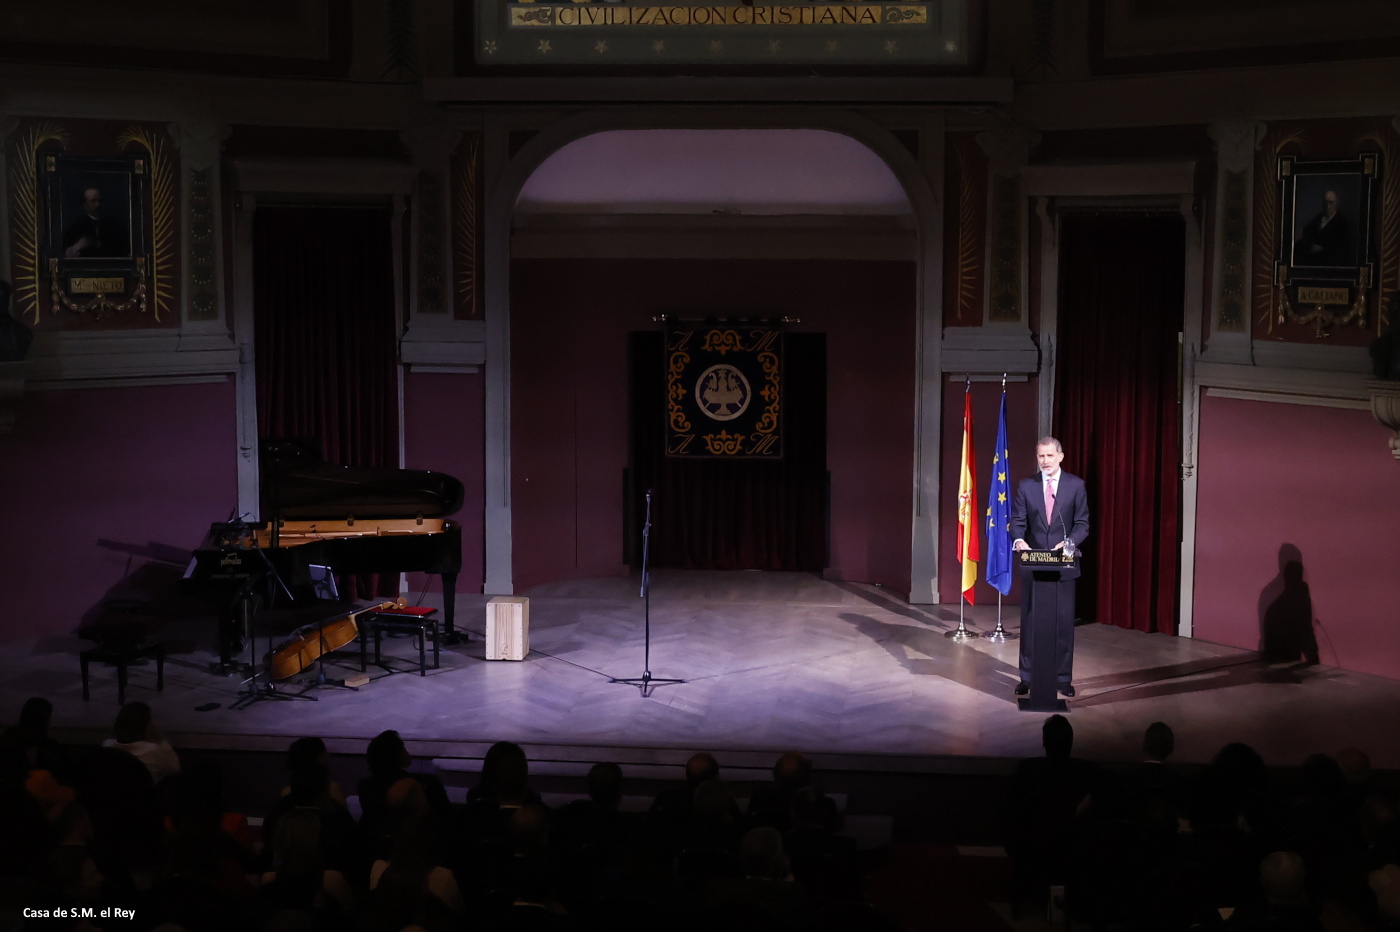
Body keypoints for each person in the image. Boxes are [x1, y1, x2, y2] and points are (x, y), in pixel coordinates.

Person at [1011, 437, 1090, 698]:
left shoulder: (1075, 485)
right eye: (1040, 456)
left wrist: (1068, 542)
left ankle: (1062, 677)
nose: (1044, 461)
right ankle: (1027, 676)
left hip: (1064, 565)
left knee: (1063, 623)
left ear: (1060, 457)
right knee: (1031, 623)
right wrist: (1020, 539)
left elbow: (1082, 524)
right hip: (1034, 565)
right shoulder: (1026, 486)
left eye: (1049, 456)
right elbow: (1018, 521)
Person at [62, 187, 130, 259]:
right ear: (84, 204)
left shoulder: (114, 224)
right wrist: (77, 246)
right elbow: (64, 256)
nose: (97, 205)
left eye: (100, 201)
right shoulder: (76, 226)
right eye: (93, 201)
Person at [1295, 189, 1353, 267]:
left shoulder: (1342, 224)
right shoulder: (1318, 219)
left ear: (1336, 204)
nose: (1328, 206)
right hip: (1313, 262)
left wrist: (1322, 249)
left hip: (1330, 264)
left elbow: (1342, 249)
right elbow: (1307, 235)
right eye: (1325, 202)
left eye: (1331, 202)